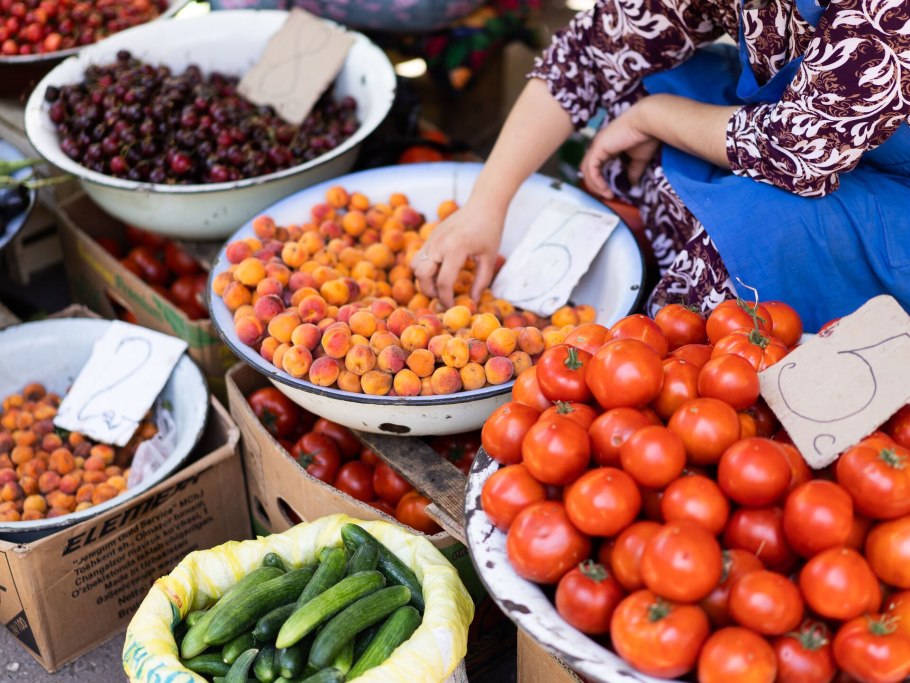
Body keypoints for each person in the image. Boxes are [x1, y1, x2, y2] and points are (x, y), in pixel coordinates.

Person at [412, 0, 910, 332]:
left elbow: (798, 150)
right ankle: (658, 261)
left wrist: (656, 118)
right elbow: (592, 51)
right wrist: (486, 204)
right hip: (801, 137)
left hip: (879, 186)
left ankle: (691, 325)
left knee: (750, 234)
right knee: (644, 79)